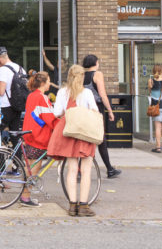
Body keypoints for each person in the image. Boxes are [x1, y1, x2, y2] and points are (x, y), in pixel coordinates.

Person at [48, 64, 98, 217]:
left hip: (69, 131)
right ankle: (83, 206)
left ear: (69, 76)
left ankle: (72, 205)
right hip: (85, 133)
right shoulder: (87, 92)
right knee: (86, 170)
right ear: (82, 77)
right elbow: (94, 111)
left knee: (71, 169)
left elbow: (57, 112)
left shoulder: (62, 92)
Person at [19, 71, 56, 208]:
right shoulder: (43, 97)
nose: (50, 83)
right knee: (35, 166)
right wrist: (61, 124)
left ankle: (24, 193)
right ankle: (26, 196)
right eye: (49, 81)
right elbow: (49, 118)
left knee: (28, 164)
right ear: (43, 83)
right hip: (39, 136)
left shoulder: (31, 96)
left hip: (29, 134)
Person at [82, 54, 122, 177]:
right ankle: (109, 169)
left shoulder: (81, 75)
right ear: (96, 63)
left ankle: (79, 170)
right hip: (96, 109)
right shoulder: (97, 74)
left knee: (85, 138)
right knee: (100, 138)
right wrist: (110, 110)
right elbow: (102, 94)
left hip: (83, 109)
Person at [0, 46, 24, 136]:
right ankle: (16, 150)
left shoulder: (3, 69)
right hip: (18, 107)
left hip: (6, 107)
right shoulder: (20, 68)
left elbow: (1, 91)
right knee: (14, 135)